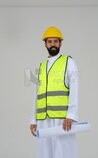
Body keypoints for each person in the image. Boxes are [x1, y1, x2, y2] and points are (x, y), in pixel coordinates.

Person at [30, 26, 79, 158]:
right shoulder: (40, 66)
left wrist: (71, 115)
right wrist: (33, 120)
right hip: (43, 120)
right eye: (50, 41)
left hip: (62, 119)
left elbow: (74, 90)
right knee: (44, 155)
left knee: (64, 154)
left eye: (55, 41)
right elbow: (36, 95)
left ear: (60, 43)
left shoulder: (68, 62)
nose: (53, 44)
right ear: (45, 44)